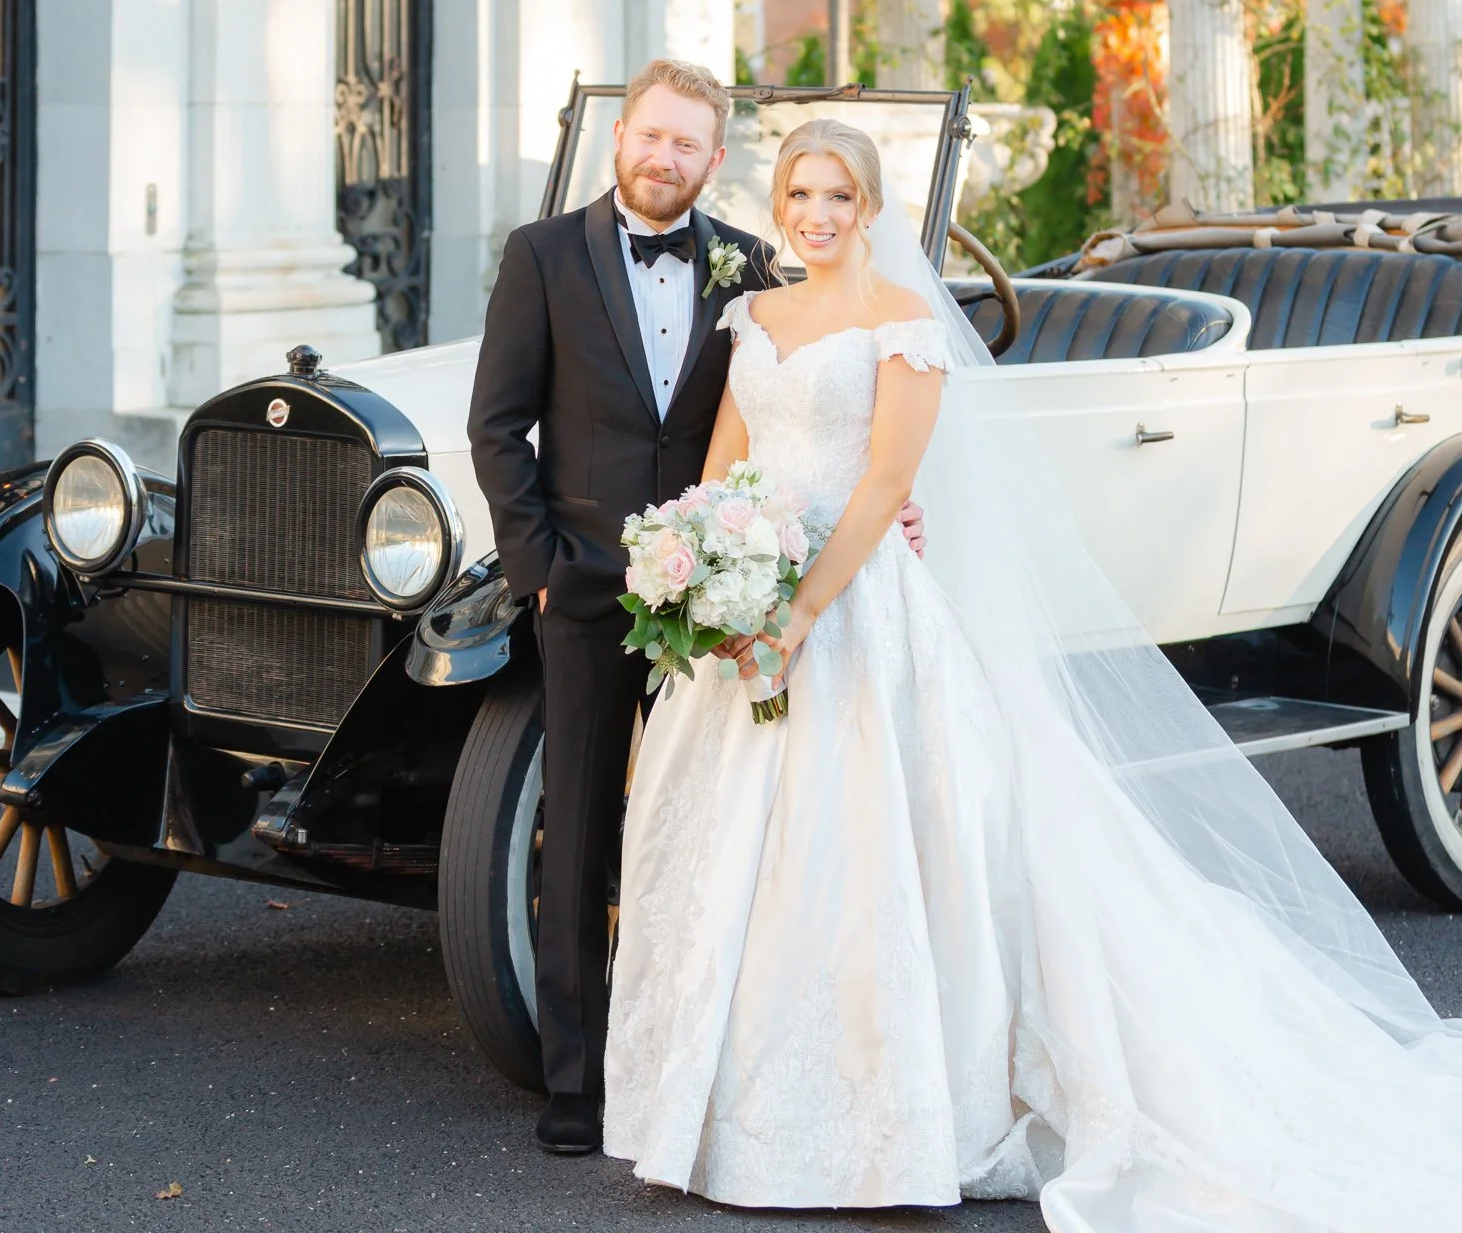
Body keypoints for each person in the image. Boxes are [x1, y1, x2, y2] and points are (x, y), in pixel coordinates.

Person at [604, 116, 1462, 1230]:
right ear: (781, 205)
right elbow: (726, 458)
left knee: (865, 851)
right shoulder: (754, 314)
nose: (816, 216)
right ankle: (711, 1105)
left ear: (868, 209)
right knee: (730, 852)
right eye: (801, 196)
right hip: (749, 598)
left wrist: (800, 610)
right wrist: (711, 567)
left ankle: (886, 1115)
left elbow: (878, 488)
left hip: (852, 606)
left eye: (839, 198)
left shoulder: (902, 323)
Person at [468, 62, 924, 1156]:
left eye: (688, 145)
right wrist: (538, 564)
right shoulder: (541, 256)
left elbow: (834, 391)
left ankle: (707, 1054)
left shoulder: (753, 263)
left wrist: (900, 507)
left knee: (721, 826)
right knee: (577, 828)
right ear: (618, 136)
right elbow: (496, 425)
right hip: (585, 582)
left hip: (732, 589)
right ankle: (577, 1080)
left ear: (714, 161)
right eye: (650, 136)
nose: (663, 158)